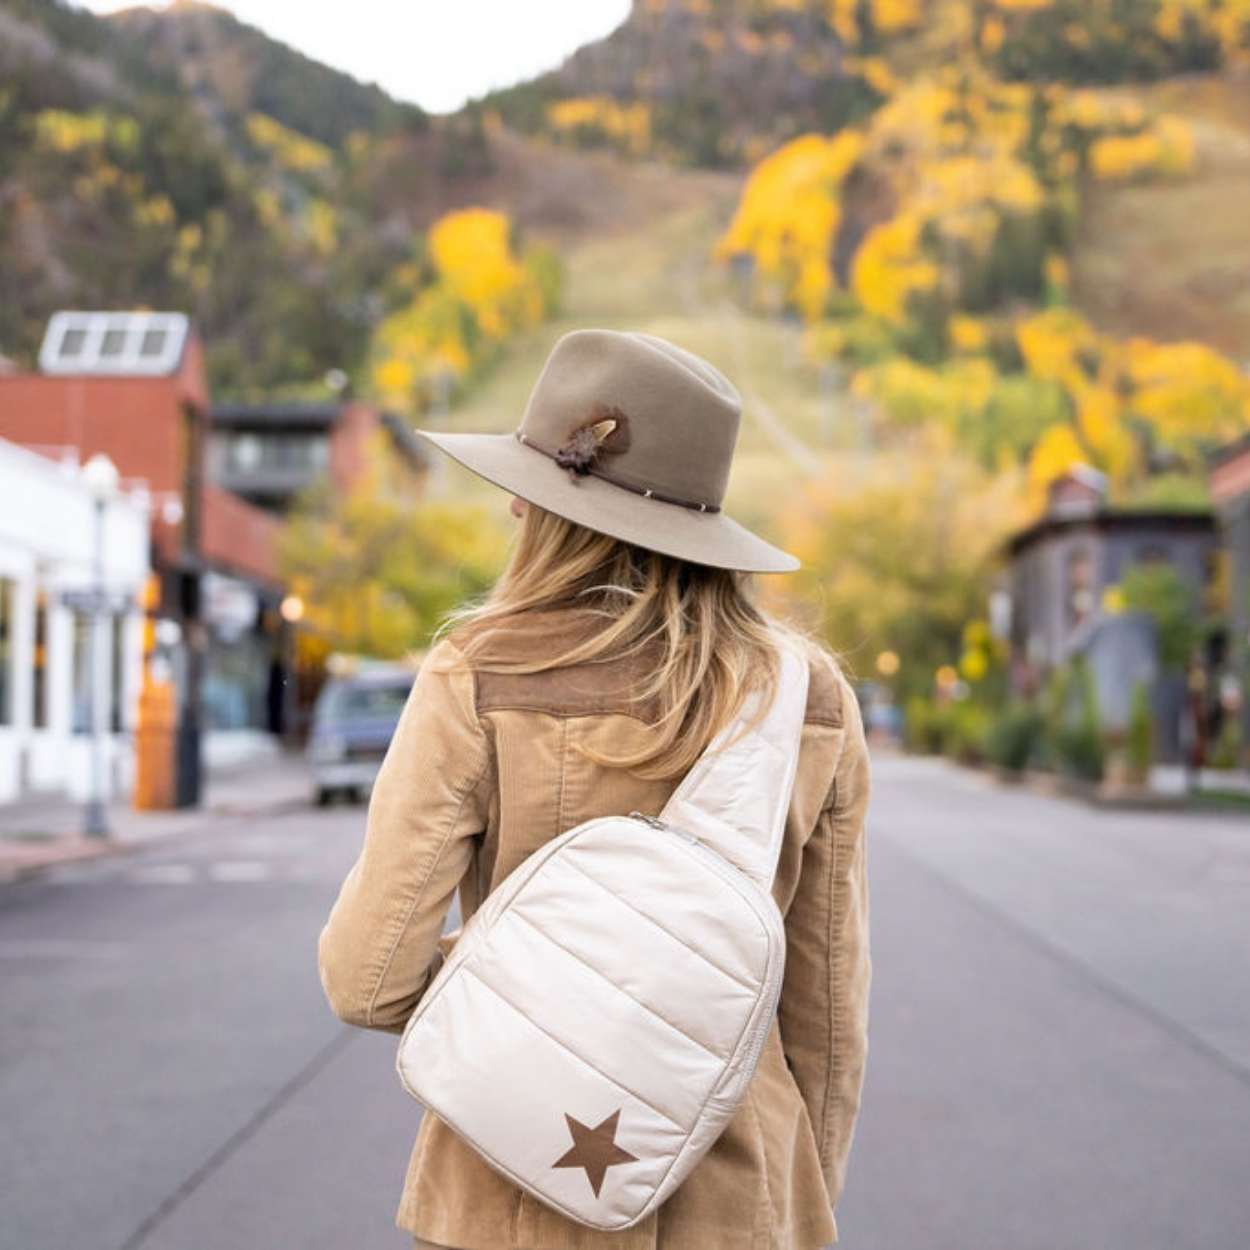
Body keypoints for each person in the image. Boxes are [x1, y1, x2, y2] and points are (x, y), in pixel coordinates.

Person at [317, 329, 871, 1250]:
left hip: (504, 1192)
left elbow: (365, 982)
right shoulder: (806, 697)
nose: (512, 509)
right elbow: (825, 1013)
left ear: (558, 515)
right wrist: (794, 1194)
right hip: (740, 1194)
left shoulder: (478, 674)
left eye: (527, 490)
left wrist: (550, 999)